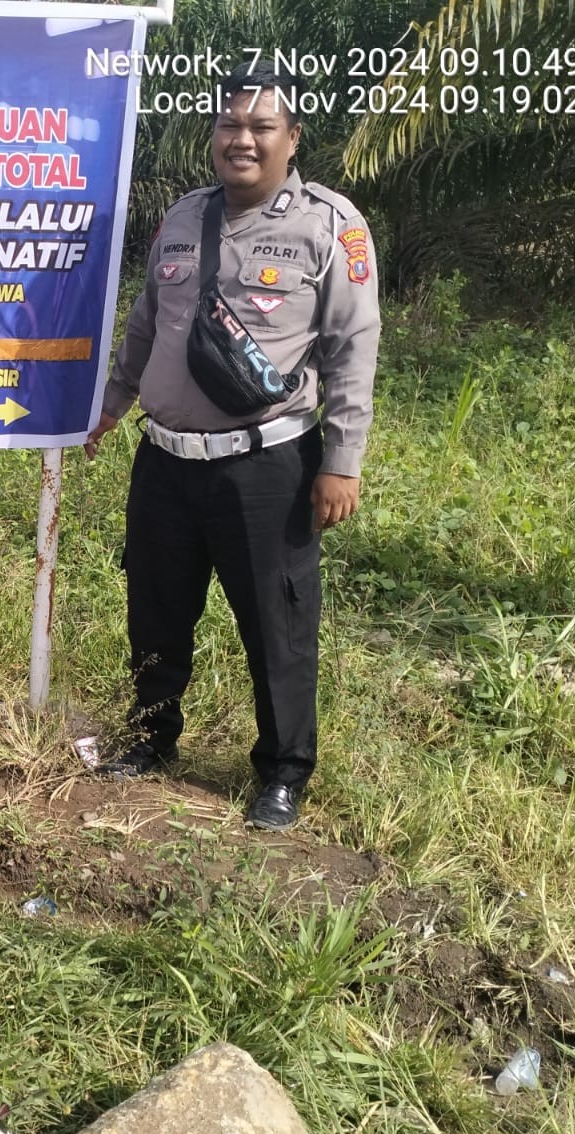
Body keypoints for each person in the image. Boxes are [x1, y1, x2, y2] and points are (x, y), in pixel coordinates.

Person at [85, 60, 380, 831]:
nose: (240, 139)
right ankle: (152, 738)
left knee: (276, 625)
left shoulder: (329, 224)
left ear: (292, 138)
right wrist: (114, 404)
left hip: (268, 466)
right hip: (165, 458)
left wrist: (342, 462)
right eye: (228, 125)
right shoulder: (184, 217)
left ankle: (282, 772)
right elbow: (149, 319)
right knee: (154, 608)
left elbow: (354, 348)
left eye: (259, 126)